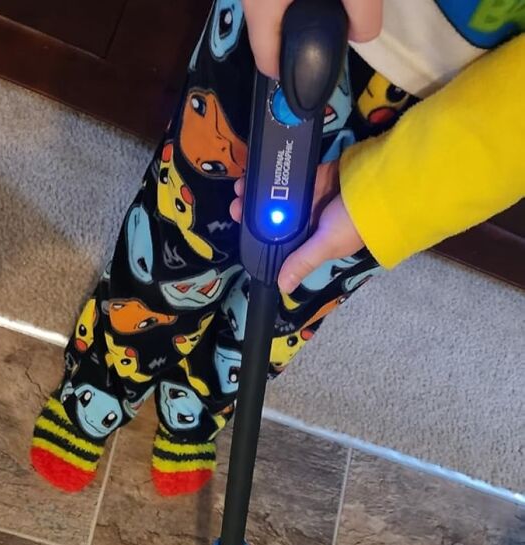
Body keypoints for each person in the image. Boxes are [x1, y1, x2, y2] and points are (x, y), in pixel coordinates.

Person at [31, 0, 524, 496]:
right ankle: (110, 374)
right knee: (188, 232)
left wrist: (387, 195)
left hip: (451, 119)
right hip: (296, 20)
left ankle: (204, 397)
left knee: (299, 287)